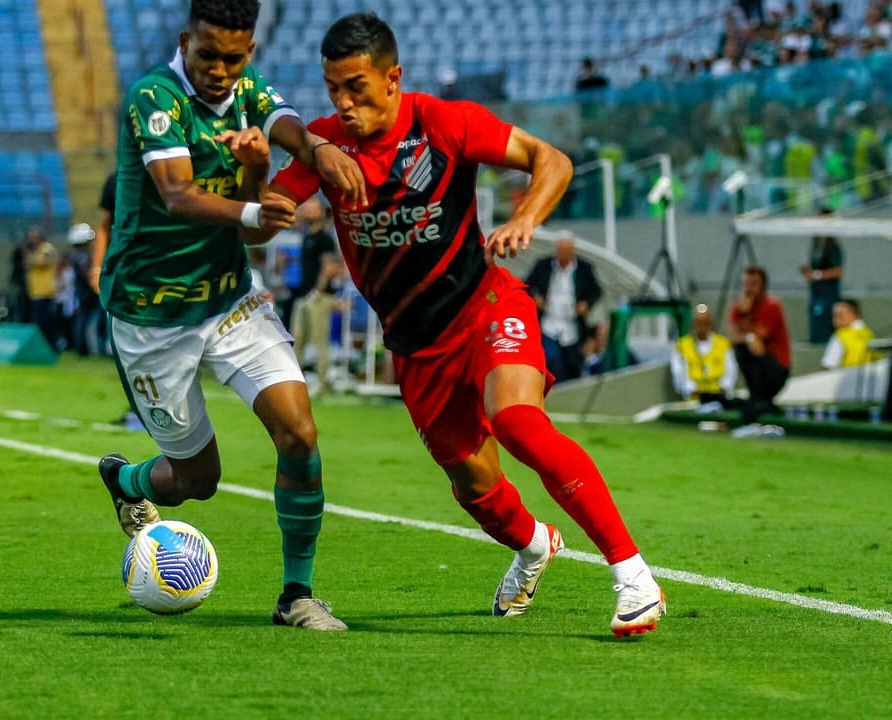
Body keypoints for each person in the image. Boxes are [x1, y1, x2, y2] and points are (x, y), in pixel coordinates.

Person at [258, 12, 665, 637]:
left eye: (356, 87)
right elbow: (277, 205)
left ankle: (633, 576)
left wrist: (526, 216)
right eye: (332, 87)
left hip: (485, 306)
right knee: (473, 485)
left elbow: (548, 158)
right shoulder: (324, 146)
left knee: (517, 421)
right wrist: (261, 193)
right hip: (416, 347)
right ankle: (533, 545)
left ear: (393, 78)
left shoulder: (443, 123)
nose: (343, 102)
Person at [97, 0, 367, 631]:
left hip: (229, 302)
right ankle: (129, 481)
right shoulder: (153, 97)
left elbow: (289, 123)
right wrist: (254, 207)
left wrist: (310, 153)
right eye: (209, 55)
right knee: (198, 478)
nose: (221, 70)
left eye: (235, 57)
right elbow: (178, 194)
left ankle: (296, 593)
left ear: (250, 51)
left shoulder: (247, 90)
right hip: (151, 315)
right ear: (186, 41)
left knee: (299, 433)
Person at [525, 230, 602, 383]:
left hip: (572, 324)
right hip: (549, 322)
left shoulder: (584, 268)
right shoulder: (543, 266)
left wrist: (586, 304)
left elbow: (596, 290)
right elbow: (527, 284)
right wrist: (536, 298)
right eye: (561, 250)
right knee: (552, 358)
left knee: (573, 363)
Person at [288, 198, 343, 393]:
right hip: (303, 294)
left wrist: (317, 291)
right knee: (297, 339)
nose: (306, 211)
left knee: (320, 340)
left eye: (311, 208)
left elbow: (329, 267)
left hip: (319, 297)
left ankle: (322, 381)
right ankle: (293, 380)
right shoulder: (306, 235)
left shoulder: (324, 238)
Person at [728, 266, 791, 422]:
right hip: (758, 363)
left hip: (776, 367)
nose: (749, 289)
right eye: (747, 284)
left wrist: (748, 336)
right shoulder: (739, 308)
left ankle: (760, 401)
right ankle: (757, 400)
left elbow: (760, 338)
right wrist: (748, 331)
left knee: (750, 349)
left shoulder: (772, 306)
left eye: (754, 284)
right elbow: (733, 337)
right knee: (743, 348)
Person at [671, 303, 739, 404]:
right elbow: (679, 374)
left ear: (710, 324)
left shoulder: (723, 343)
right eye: (699, 323)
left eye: (705, 323)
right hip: (694, 400)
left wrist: (724, 388)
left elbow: (731, 371)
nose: (702, 327)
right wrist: (692, 391)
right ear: (693, 324)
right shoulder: (682, 346)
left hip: (720, 397)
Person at [799, 211, 843, 344]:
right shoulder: (816, 244)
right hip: (816, 292)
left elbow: (838, 271)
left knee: (826, 319)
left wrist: (817, 275)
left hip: (828, 292)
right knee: (815, 316)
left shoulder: (833, 246)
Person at [65, 222, 101, 356]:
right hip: (88, 294)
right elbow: (88, 275)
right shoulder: (82, 256)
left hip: (82, 293)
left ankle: (82, 347)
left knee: (82, 320)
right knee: (89, 322)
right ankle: (88, 348)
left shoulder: (75, 254)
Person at [23, 226, 60, 351]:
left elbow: (42, 262)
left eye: (33, 237)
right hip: (37, 293)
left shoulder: (46, 249)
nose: (31, 240)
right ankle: (42, 347)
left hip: (46, 292)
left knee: (46, 324)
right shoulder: (36, 250)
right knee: (38, 323)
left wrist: (28, 255)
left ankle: (51, 347)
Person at [820, 298, 879, 369]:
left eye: (840, 315)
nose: (835, 319)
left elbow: (828, 366)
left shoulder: (840, 336)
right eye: (834, 315)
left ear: (854, 314)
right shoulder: (869, 334)